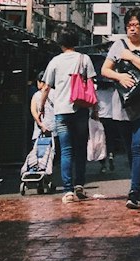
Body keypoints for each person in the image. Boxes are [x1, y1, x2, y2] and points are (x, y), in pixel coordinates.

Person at [102, 7, 140, 208]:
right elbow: (105, 70)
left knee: (138, 148)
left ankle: (134, 192)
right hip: (122, 106)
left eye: (136, 25)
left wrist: (131, 56)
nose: (132, 29)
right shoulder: (118, 45)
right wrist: (120, 76)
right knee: (129, 151)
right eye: (129, 25)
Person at [37, 27, 97, 203]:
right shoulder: (84, 59)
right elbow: (92, 85)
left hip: (61, 111)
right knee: (80, 150)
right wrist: (95, 109)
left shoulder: (55, 61)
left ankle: (68, 190)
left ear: (61, 43)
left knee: (66, 151)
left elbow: (46, 87)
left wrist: (41, 106)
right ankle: (80, 185)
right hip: (81, 109)